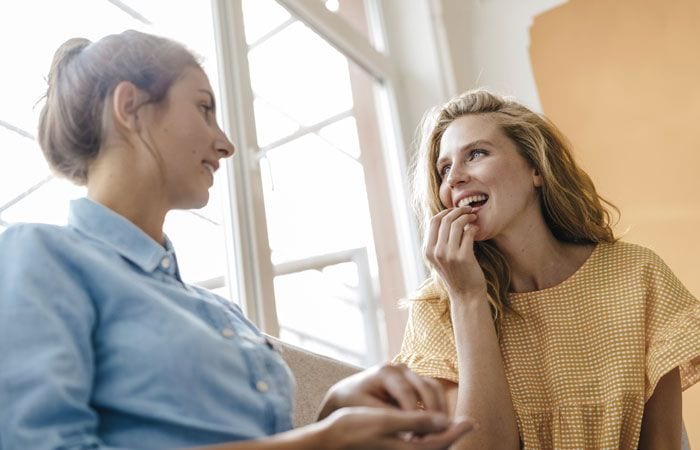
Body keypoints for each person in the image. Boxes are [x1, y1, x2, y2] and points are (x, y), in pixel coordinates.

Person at [0, 30, 473, 450]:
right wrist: (317, 443)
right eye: (204, 108)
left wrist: (332, 412)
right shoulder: (40, 256)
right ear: (130, 108)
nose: (224, 142)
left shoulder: (220, 313)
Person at [393, 89, 700, 449]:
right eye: (444, 169)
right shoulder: (439, 307)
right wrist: (467, 297)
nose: (454, 178)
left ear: (536, 168)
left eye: (475, 154)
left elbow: (662, 444)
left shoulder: (638, 275)